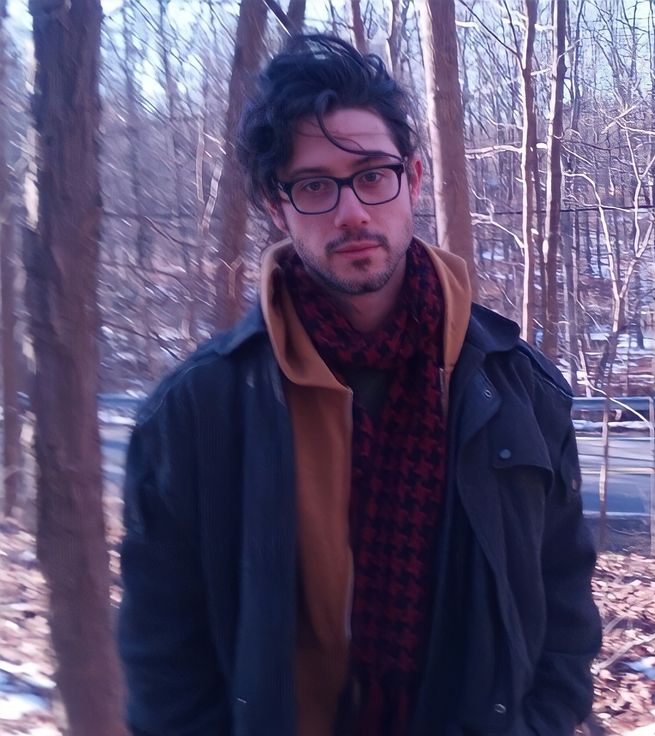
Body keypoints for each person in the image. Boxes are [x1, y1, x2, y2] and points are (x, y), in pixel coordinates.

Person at [118, 34, 601, 736]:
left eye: (372, 174)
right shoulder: (197, 412)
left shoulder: (517, 387)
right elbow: (165, 661)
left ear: (414, 178)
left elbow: (563, 601)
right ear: (276, 206)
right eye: (315, 185)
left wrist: (544, 722)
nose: (352, 212)